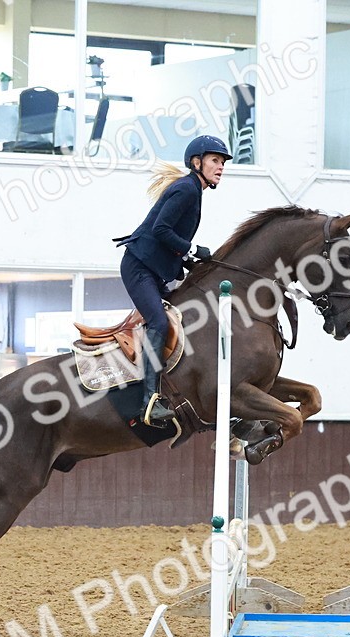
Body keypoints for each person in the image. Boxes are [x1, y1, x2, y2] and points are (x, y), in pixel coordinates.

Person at [114, 134, 231, 427]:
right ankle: (148, 402)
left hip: (152, 271)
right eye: (215, 161)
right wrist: (192, 249)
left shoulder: (194, 189)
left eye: (222, 163)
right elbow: (162, 229)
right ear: (197, 162)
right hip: (139, 269)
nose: (221, 167)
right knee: (159, 323)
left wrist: (191, 260)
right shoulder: (187, 189)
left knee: (181, 318)